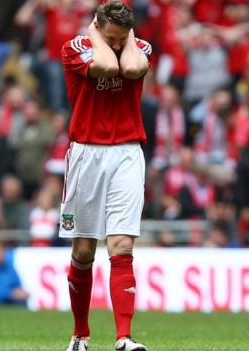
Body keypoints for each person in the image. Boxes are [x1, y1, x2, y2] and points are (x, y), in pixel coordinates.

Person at [58, 1, 151, 350]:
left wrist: (121, 38)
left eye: (122, 37)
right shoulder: (73, 48)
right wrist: (99, 36)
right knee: (83, 251)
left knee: (122, 245)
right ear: (96, 27)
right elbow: (105, 65)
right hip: (85, 153)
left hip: (127, 152)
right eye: (110, 35)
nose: (116, 43)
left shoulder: (138, 48)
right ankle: (80, 334)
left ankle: (124, 338)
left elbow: (130, 69)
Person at [0, 241, 29, 305]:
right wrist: (10, 293)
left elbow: (17, 284)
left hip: (11, 303)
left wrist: (21, 292)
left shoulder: (9, 268)